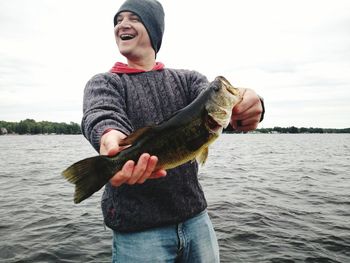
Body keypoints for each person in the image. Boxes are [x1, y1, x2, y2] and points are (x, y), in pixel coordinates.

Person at [81, 0, 265, 262]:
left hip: (197, 219)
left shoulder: (189, 80)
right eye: (118, 20)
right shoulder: (105, 82)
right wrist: (111, 139)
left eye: (133, 18)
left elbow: (229, 116)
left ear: (154, 29)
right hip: (138, 231)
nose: (123, 24)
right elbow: (101, 114)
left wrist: (250, 105)